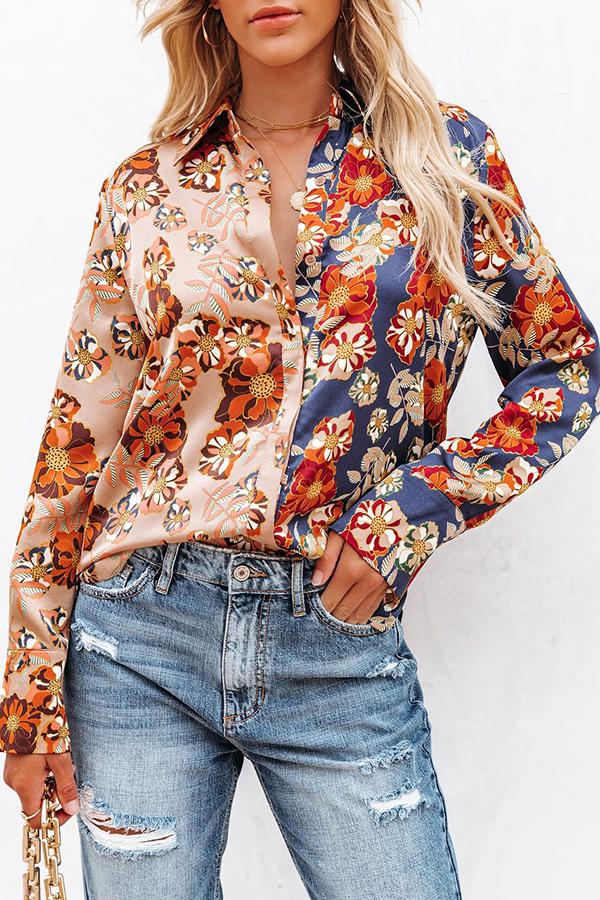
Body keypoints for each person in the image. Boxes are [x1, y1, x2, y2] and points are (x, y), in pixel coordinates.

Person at [2, 1, 599, 897]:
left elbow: (565, 364)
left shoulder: (446, 158)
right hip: (137, 639)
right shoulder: (147, 188)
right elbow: (75, 445)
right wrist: (29, 698)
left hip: (336, 645)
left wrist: (408, 515)